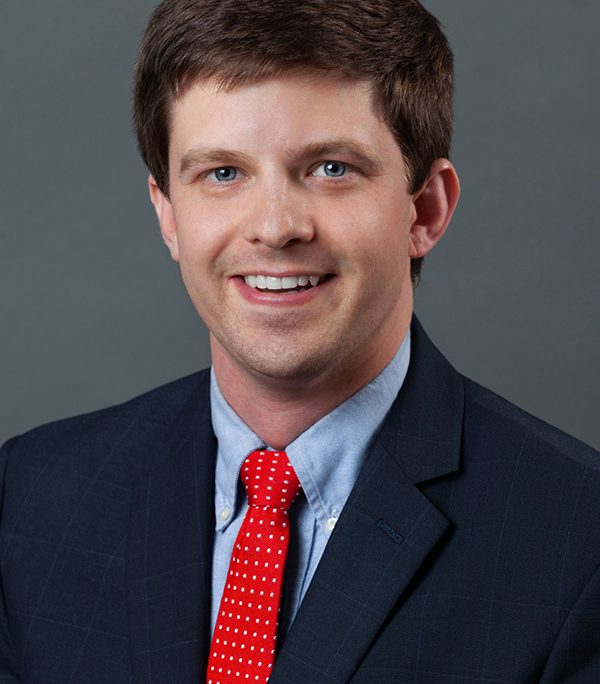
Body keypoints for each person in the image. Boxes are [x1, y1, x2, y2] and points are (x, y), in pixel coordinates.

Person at [1, 0, 599, 681]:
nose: (276, 227)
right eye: (222, 173)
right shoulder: (31, 500)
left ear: (425, 210)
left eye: (331, 168)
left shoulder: (577, 542)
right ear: (167, 214)